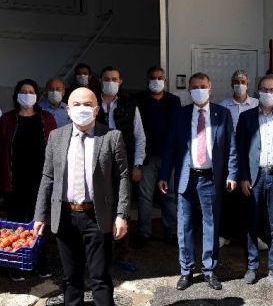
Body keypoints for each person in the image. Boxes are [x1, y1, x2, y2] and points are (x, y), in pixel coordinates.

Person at [33, 87, 130, 306]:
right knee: (70, 277)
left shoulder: (111, 137)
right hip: (65, 216)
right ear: (68, 110)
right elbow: (48, 176)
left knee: (100, 277)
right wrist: (40, 215)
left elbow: (123, 177)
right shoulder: (56, 137)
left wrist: (122, 214)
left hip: (97, 216)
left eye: (87, 105)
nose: (82, 109)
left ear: (96, 110)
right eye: (76, 104)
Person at [158, 72, 238, 291]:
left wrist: (232, 174)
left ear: (210, 88)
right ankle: (186, 270)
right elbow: (170, 148)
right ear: (189, 90)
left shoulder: (222, 114)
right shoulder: (180, 115)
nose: (199, 90)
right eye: (194, 87)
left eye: (203, 86)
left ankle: (209, 270)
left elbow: (231, 146)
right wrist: (164, 175)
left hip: (211, 178)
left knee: (210, 225)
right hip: (186, 177)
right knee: (184, 225)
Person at [0, 78, 57, 279]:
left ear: (37, 96)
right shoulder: (7, 119)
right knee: (16, 223)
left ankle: (39, 261)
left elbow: (55, 149)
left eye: (31, 91)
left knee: (39, 222)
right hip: (14, 180)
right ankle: (16, 263)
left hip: (41, 181)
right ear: (16, 95)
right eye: (23, 91)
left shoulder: (46, 118)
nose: (27, 95)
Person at [237, 75, 273, 288]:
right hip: (254, 177)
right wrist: (243, 176)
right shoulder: (246, 117)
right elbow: (240, 150)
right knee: (251, 223)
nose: (267, 93)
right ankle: (252, 266)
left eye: (271, 90)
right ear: (257, 92)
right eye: (264, 89)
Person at [96, 66, 145, 271]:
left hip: (123, 164)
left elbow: (139, 137)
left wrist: (138, 164)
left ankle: (123, 253)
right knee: (98, 208)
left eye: (114, 79)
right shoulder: (92, 103)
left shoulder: (130, 105)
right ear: (100, 81)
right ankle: (100, 254)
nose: (110, 82)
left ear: (120, 81)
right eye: (107, 79)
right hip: (97, 165)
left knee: (122, 208)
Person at [134, 66, 181, 247]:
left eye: (160, 78)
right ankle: (144, 233)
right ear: (147, 80)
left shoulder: (174, 101)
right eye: (153, 78)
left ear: (165, 80)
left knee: (170, 195)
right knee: (145, 196)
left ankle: (171, 232)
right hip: (146, 157)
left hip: (169, 156)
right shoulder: (139, 101)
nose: (157, 81)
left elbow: (177, 129)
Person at [218, 69, 259, 248]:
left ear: (248, 85)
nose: (239, 85)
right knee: (228, 196)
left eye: (242, 82)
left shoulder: (256, 104)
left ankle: (252, 235)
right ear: (231, 85)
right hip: (230, 156)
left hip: (252, 155)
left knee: (250, 197)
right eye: (236, 82)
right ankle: (225, 234)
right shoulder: (224, 105)